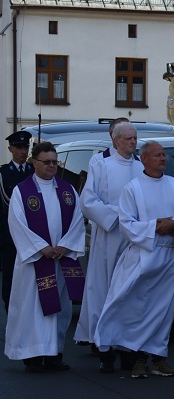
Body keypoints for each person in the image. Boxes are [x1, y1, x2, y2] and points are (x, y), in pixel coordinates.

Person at [94, 141, 174, 378]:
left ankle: (160, 359)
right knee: (140, 309)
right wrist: (154, 227)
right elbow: (126, 224)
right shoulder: (133, 188)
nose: (163, 159)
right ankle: (137, 358)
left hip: (169, 254)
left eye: (164, 155)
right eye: (158, 155)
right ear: (145, 159)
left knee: (165, 309)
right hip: (143, 255)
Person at [4, 141, 85, 372]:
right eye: (46, 162)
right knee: (34, 309)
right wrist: (42, 248)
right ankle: (32, 355)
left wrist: (64, 246)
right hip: (35, 263)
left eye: (54, 161)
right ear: (33, 162)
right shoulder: (22, 191)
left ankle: (54, 355)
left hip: (60, 260)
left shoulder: (67, 189)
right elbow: (17, 224)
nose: (52, 166)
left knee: (60, 308)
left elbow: (78, 221)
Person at [74, 121, 143, 373]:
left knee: (130, 294)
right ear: (115, 141)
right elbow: (88, 200)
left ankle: (127, 349)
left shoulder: (140, 167)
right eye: (128, 139)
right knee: (105, 291)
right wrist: (118, 218)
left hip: (135, 239)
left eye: (135, 138)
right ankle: (105, 349)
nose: (133, 142)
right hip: (110, 237)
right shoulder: (101, 165)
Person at [1, 130, 35, 312]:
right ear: (10, 149)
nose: (23, 151)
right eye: (19, 147)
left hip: (34, 234)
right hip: (10, 237)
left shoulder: (34, 172)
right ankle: (11, 316)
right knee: (10, 280)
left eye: (26, 147)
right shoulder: (3, 174)